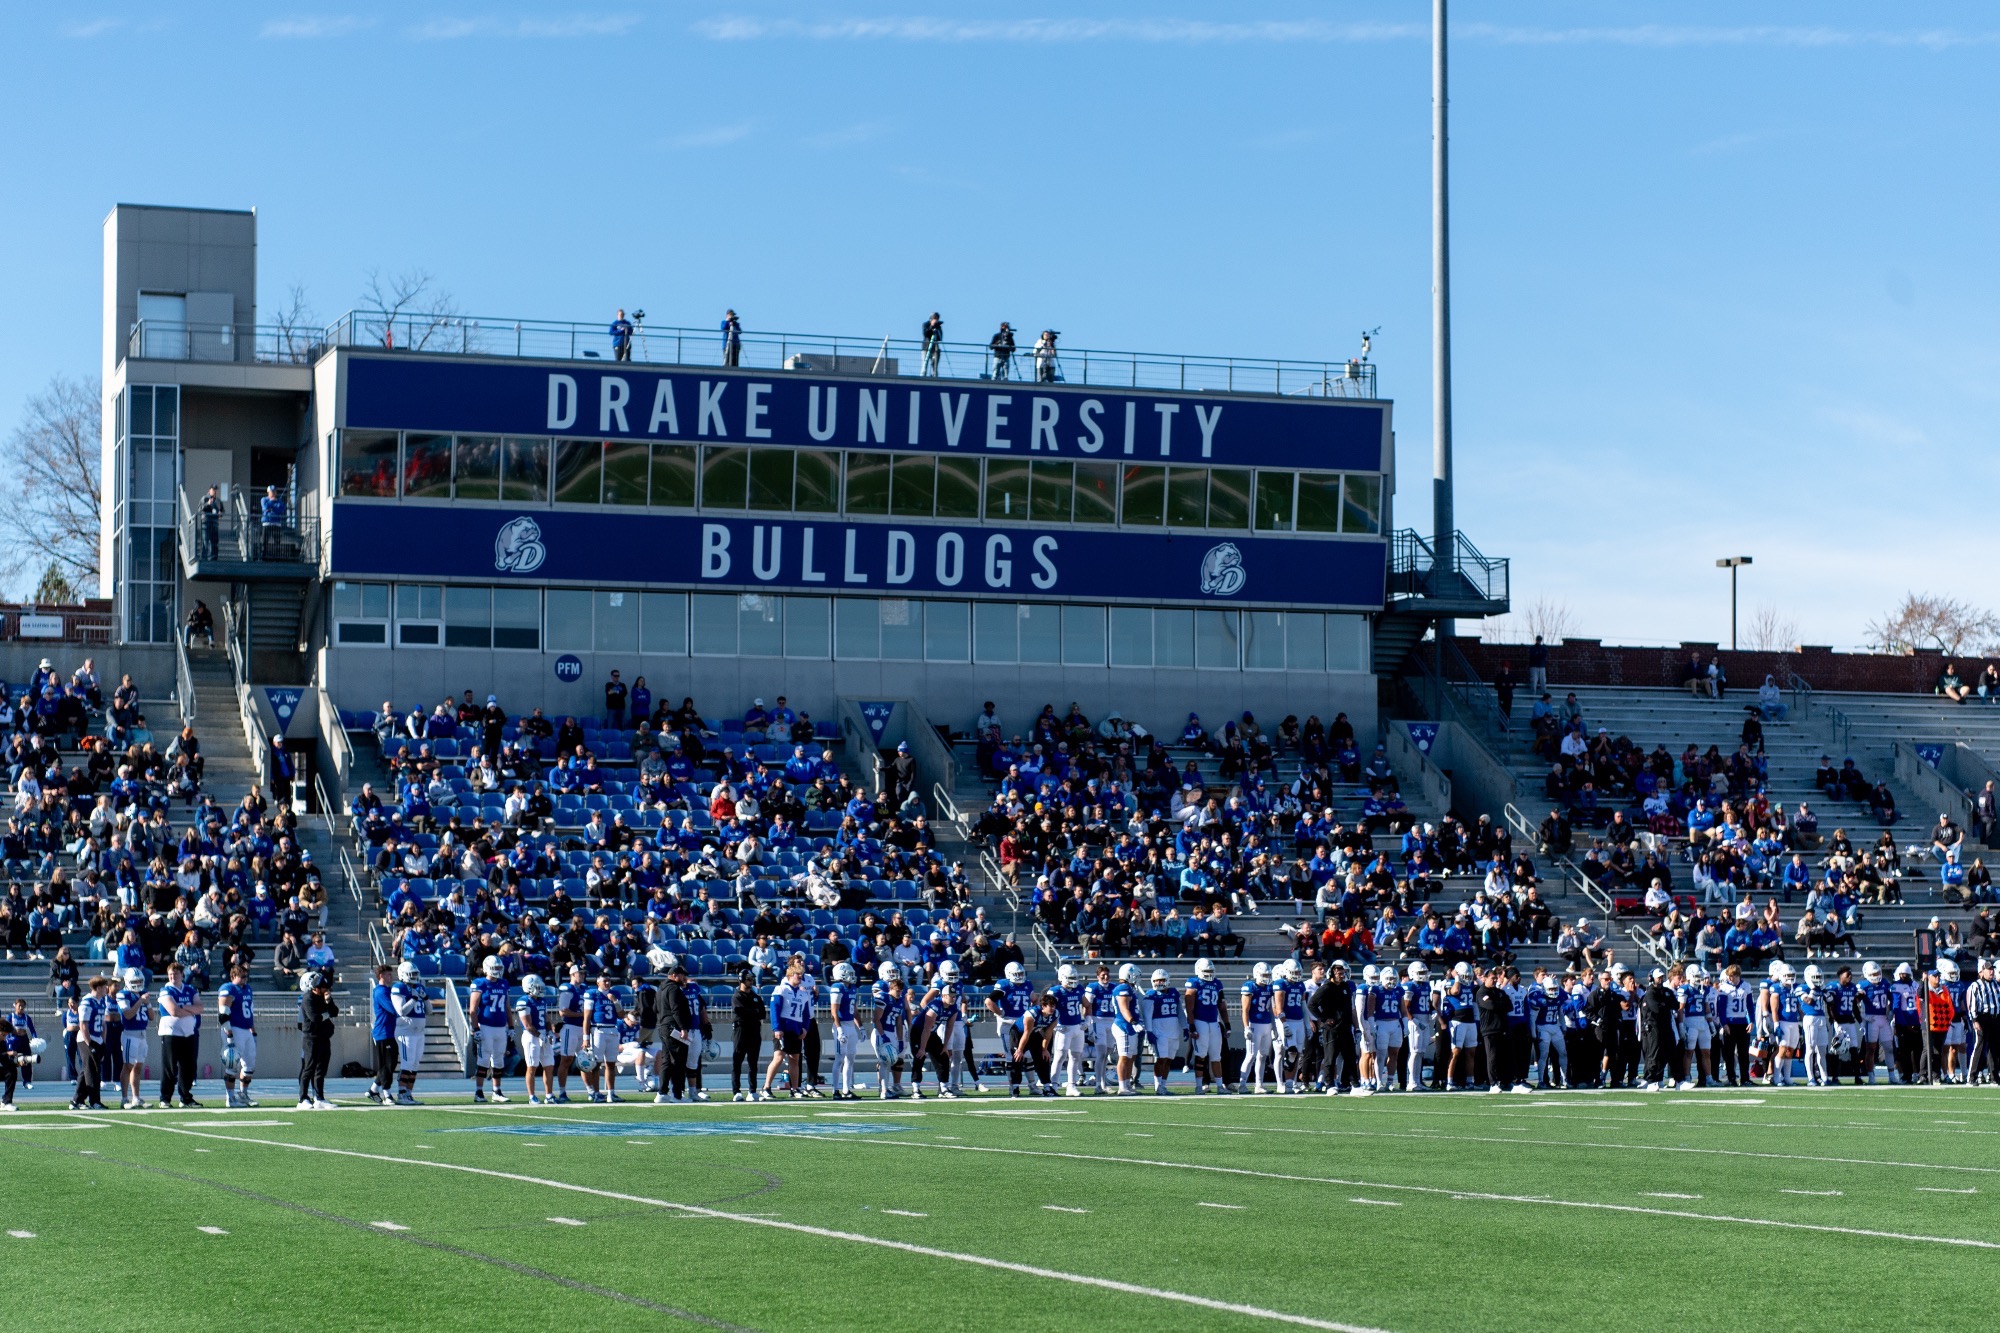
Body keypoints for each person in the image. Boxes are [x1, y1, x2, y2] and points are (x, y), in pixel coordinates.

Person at [158, 961, 202, 1108]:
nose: (172, 977)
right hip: (171, 1033)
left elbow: (200, 1007)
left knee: (188, 1067)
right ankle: (165, 1098)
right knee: (170, 1067)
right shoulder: (166, 991)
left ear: (182, 975)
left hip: (188, 1033)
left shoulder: (190, 989)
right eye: (170, 974)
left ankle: (186, 1097)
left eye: (175, 974)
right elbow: (173, 1011)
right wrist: (189, 1010)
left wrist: (183, 1007)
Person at [469, 955, 513, 1103]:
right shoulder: (480, 983)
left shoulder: (503, 983)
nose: (497, 971)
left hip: (501, 1027)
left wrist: (511, 1026)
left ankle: (497, 1091)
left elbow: (507, 1007)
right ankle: (479, 1092)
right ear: (487, 968)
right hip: (486, 1026)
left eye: (499, 968)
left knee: (499, 1060)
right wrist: (476, 1028)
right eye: (494, 968)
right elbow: (473, 1010)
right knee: (483, 1059)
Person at [1183, 958, 1228, 1094]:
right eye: (1206, 971)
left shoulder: (1217, 983)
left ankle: (1220, 1086)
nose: (1209, 974)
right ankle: (1199, 1086)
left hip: (1214, 1022)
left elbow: (1222, 1006)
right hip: (1200, 1021)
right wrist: (1191, 1025)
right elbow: (1189, 1007)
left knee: (1216, 1056)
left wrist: (1227, 1024)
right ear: (1198, 971)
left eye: (1210, 971)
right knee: (1201, 1055)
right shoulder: (1194, 982)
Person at [655, 962, 697, 1103]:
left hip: (663, 1026)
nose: (684, 978)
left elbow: (655, 1008)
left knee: (667, 1061)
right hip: (673, 1027)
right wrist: (683, 1028)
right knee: (679, 1060)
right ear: (674, 975)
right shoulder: (673, 989)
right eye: (682, 975)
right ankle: (677, 1094)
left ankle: (662, 1092)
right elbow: (676, 1009)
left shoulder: (660, 989)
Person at [217, 963, 258, 1108]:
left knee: (249, 1065)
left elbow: (250, 1013)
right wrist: (229, 1034)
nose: (245, 979)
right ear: (233, 976)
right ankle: (230, 1098)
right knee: (232, 1064)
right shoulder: (228, 988)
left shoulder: (247, 989)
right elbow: (223, 1014)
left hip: (246, 1029)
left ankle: (243, 1094)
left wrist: (253, 1031)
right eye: (242, 976)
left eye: (246, 976)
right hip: (234, 1029)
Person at [71, 976, 114, 1111]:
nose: (107, 989)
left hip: (97, 1038)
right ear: (99, 987)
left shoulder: (101, 1001)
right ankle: (94, 1101)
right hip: (86, 1039)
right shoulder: (87, 1002)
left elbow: (103, 1024)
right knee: (93, 1072)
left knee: (86, 1071)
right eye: (104, 987)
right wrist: (90, 1043)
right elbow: (83, 1025)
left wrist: (103, 1041)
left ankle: (76, 1100)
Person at [295, 970, 336, 1109]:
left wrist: (328, 1002)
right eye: (324, 987)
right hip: (311, 1038)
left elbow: (334, 1012)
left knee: (321, 1068)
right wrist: (326, 1013)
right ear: (316, 988)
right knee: (309, 1067)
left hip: (324, 1036)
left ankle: (319, 1097)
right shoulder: (308, 998)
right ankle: (303, 1098)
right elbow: (315, 1018)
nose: (327, 990)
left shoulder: (324, 997)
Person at [390, 960, 429, 1105]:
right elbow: (401, 1011)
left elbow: (429, 1010)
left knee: (414, 1064)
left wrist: (425, 998)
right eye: (411, 974)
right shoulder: (398, 987)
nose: (414, 976)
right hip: (405, 1031)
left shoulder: (418, 987)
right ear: (403, 974)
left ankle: (409, 1093)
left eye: (415, 974)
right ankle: (401, 1094)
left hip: (419, 1032)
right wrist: (413, 999)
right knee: (407, 1063)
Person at [1143, 968, 1184, 1096]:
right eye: (1156, 980)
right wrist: (1149, 1031)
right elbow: (1147, 1015)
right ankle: (1157, 1086)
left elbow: (1180, 1012)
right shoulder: (1150, 995)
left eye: (1162, 980)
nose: (1159, 982)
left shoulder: (1173, 993)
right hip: (1159, 1031)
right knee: (1161, 1059)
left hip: (1173, 1031)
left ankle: (1163, 1086)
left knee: (1169, 1060)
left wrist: (1186, 1027)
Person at [115, 968, 151, 1110]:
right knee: (128, 1066)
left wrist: (147, 1003)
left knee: (138, 1067)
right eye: (134, 981)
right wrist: (140, 1002)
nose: (137, 984)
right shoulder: (123, 994)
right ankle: (124, 1099)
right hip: (130, 1034)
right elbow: (128, 1015)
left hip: (142, 1033)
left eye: (139, 981)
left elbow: (152, 1017)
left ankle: (136, 1098)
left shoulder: (143, 994)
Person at [517, 974, 555, 1105]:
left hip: (543, 1034)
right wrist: (540, 1035)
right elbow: (527, 1025)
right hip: (531, 1036)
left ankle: (549, 1095)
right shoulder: (524, 1001)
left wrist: (550, 1031)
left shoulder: (542, 1001)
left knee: (549, 1066)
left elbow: (547, 1019)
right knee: (532, 1067)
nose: (540, 989)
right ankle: (532, 1096)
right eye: (537, 987)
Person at [584, 975, 624, 1103]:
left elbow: (621, 1015)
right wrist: (586, 1038)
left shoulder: (615, 994)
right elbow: (587, 1017)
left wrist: (615, 1001)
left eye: (609, 980)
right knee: (596, 1064)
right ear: (598, 982)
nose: (607, 983)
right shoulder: (592, 994)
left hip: (612, 1029)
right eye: (604, 981)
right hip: (598, 1030)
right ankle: (596, 1093)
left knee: (611, 1064)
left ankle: (611, 1093)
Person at [367, 963, 401, 1104]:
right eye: (388, 974)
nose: (391, 977)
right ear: (381, 976)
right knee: (387, 1064)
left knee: (390, 1063)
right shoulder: (381, 992)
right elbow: (393, 1009)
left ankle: (374, 1090)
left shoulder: (387, 990)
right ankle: (386, 1093)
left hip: (388, 1032)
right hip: (383, 1032)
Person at [258, 484, 286, 559]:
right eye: (272, 491)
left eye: (274, 491)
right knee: (264, 541)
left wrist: (272, 508)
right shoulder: (264, 499)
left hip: (276, 524)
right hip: (267, 523)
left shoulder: (279, 501)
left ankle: (277, 558)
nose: (273, 493)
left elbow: (281, 510)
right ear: (268, 492)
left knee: (277, 542)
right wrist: (271, 502)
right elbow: (265, 508)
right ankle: (263, 557)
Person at [199, 485, 223, 560]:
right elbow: (200, 509)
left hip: (215, 523)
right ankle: (204, 557)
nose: (214, 491)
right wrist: (207, 504)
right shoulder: (205, 498)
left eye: (216, 490)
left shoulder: (218, 501)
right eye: (213, 489)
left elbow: (221, 510)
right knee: (205, 540)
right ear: (209, 490)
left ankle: (214, 557)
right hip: (206, 522)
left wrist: (220, 513)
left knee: (215, 541)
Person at [921, 312, 943, 376]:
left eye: (937, 318)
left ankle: (935, 376)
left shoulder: (938, 327)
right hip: (926, 348)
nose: (936, 320)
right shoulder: (926, 324)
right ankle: (923, 377)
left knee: (935, 367)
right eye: (935, 318)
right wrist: (931, 326)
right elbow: (925, 333)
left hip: (935, 349)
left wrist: (937, 328)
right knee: (924, 364)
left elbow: (940, 338)